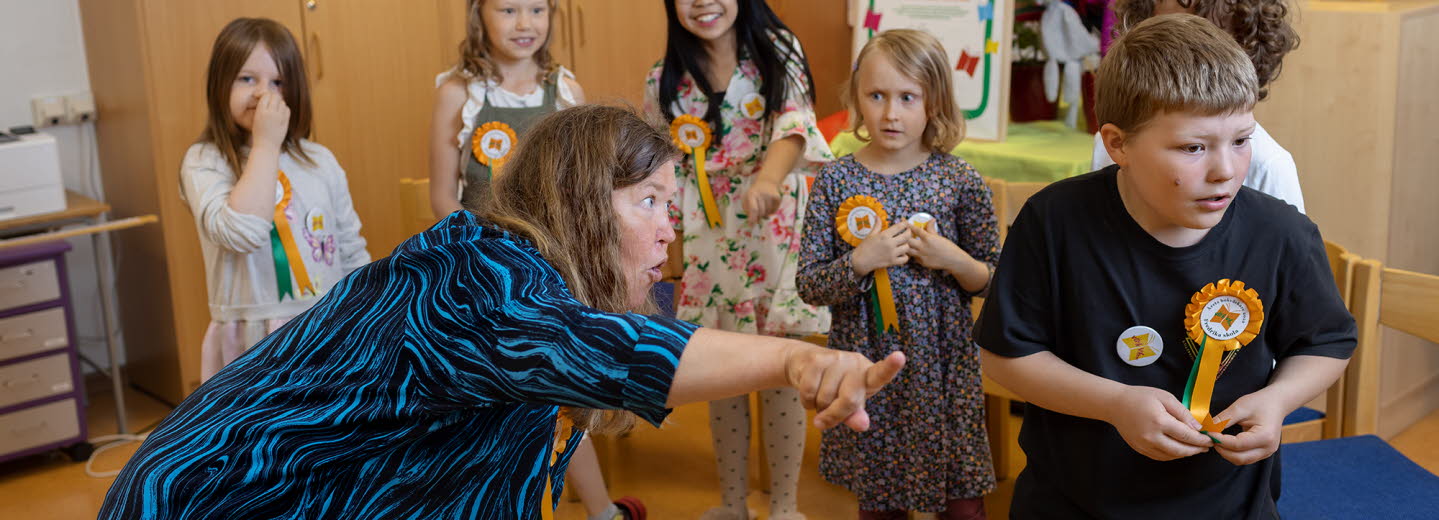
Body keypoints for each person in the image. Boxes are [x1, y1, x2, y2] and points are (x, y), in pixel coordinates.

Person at [99, 105, 906, 520]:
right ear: (586, 204)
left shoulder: (517, 276)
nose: (672, 224)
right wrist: (796, 358)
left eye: (673, 200)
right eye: (651, 200)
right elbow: (614, 351)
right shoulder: (481, 275)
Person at [976, 14, 1355, 518]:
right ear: (1117, 145)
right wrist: (1115, 404)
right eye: (1193, 148)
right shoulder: (1052, 222)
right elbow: (1005, 355)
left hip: (1231, 505)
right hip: (1073, 501)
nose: (1225, 170)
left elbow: (1326, 344)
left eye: (1241, 141)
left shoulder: (1282, 234)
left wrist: (1279, 400)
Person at [798, 29, 998, 520]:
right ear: (856, 98)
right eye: (877, 96)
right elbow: (809, 285)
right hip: (868, 366)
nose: (890, 113)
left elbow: (994, 281)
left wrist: (954, 260)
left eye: (908, 97)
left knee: (962, 503)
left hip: (945, 368)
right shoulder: (835, 179)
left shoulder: (960, 180)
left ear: (934, 103)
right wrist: (859, 262)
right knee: (880, 498)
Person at [644, 1, 832, 517]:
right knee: (721, 371)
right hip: (709, 239)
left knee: (782, 371)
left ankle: (785, 506)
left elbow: (795, 127)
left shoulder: (778, 51)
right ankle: (732, 504)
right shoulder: (664, 79)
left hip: (774, 231)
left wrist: (767, 180)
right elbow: (660, 166)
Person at [179, 18, 369, 382]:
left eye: (278, 82)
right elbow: (243, 231)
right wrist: (266, 144)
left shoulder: (319, 161)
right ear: (220, 85)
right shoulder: (204, 160)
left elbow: (350, 249)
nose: (263, 94)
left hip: (323, 330)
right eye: (247, 79)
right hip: (249, 343)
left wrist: (362, 319)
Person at [1091, 0, 1305, 212]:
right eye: (1167, 39)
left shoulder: (1269, 165)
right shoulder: (1113, 140)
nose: (1189, 59)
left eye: (1208, 44)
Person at [429, 0, 585, 217]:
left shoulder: (567, 94)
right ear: (478, 14)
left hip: (552, 246)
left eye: (537, 10)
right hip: (480, 244)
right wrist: (482, 243)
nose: (524, 24)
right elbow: (442, 198)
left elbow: (582, 187)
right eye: (509, 11)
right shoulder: (457, 94)